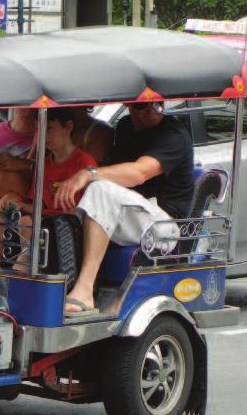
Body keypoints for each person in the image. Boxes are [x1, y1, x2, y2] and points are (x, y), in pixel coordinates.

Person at [53, 102, 194, 314]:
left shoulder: (174, 134)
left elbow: (139, 173)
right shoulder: (126, 127)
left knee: (99, 188)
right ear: (129, 105)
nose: (153, 110)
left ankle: (84, 289)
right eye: (143, 106)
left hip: (164, 226)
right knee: (67, 212)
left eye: (159, 104)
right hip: (133, 216)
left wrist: (88, 173)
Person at [0, 107, 97, 267]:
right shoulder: (45, 164)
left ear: (68, 127)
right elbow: (39, 202)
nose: (44, 135)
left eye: (49, 129)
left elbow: (80, 212)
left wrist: (24, 207)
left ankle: (21, 268)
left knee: (26, 221)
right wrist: (19, 204)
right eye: (39, 130)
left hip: (67, 228)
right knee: (8, 206)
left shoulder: (84, 164)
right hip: (42, 220)